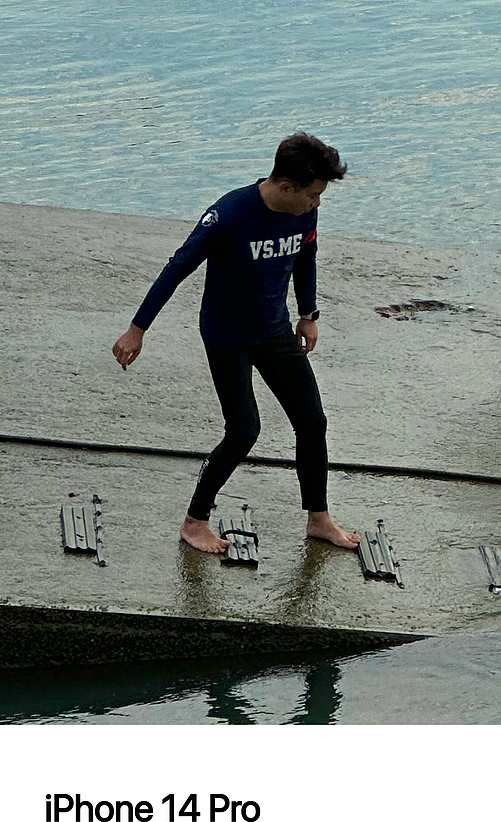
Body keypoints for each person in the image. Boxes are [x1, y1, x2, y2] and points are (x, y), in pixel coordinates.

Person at [111, 132, 360, 555]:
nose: (317, 203)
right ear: (286, 188)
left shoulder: (304, 213)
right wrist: (138, 328)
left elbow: (305, 257)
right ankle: (194, 522)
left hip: (274, 329)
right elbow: (177, 268)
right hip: (227, 335)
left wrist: (308, 314)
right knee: (244, 430)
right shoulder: (229, 215)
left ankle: (318, 519)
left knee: (312, 421)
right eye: (314, 195)